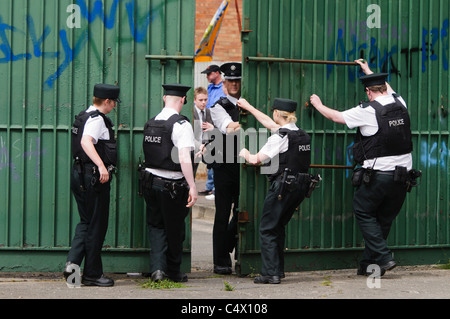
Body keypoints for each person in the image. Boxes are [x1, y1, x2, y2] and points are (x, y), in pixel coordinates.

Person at [310, 59, 415, 276]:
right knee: (383, 219)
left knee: (363, 210)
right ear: (385, 87)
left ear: (368, 91)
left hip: (380, 176)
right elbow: (390, 90)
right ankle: (370, 265)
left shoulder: (369, 111)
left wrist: (318, 104)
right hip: (403, 177)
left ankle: (384, 258)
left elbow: (335, 117)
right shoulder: (400, 102)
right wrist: (368, 71)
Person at [237, 98, 312, 284]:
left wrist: (244, 152)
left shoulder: (280, 137)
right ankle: (278, 270)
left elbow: (256, 159)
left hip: (283, 186)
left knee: (268, 228)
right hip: (300, 187)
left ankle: (271, 273)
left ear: (277, 113)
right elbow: (270, 124)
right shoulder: (301, 134)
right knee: (277, 226)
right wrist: (250, 107)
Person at [64, 83, 121, 287]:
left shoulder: (83, 115)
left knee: (86, 222)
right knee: (96, 226)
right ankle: (92, 275)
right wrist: (101, 166)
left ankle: (72, 267)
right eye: (114, 102)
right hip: (93, 177)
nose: (114, 106)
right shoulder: (96, 119)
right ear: (107, 101)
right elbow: (86, 142)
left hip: (79, 174)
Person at [140, 84, 197, 283]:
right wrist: (193, 185)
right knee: (174, 229)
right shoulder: (181, 124)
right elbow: (184, 157)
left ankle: (157, 270)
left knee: (156, 226)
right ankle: (173, 271)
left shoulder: (152, 122)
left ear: (164, 98)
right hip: (172, 185)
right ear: (183, 100)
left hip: (150, 182)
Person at [208, 62, 242, 275]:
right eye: (230, 81)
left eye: (237, 80)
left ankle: (238, 252)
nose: (234, 84)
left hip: (245, 165)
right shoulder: (218, 106)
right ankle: (220, 260)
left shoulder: (249, 103)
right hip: (224, 166)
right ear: (224, 83)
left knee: (243, 212)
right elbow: (229, 128)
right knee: (222, 213)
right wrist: (254, 119)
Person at [199, 65, 225, 197]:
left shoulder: (223, 88)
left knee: (216, 156)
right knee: (208, 156)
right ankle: (209, 186)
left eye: (209, 74)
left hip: (218, 125)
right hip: (208, 123)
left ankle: (215, 188)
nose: (207, 76)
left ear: (216, 73)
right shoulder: (210, 88)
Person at [192, 87, 214, 176]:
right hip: (194, 148)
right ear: (194, 100)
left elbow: (217, 132)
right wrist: (199, 146)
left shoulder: (209, 112)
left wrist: (213, 128)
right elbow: (189, 134)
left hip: (206, 149)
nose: (203, 102)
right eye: (200, 100)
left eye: (205, 100)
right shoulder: (191, 112)